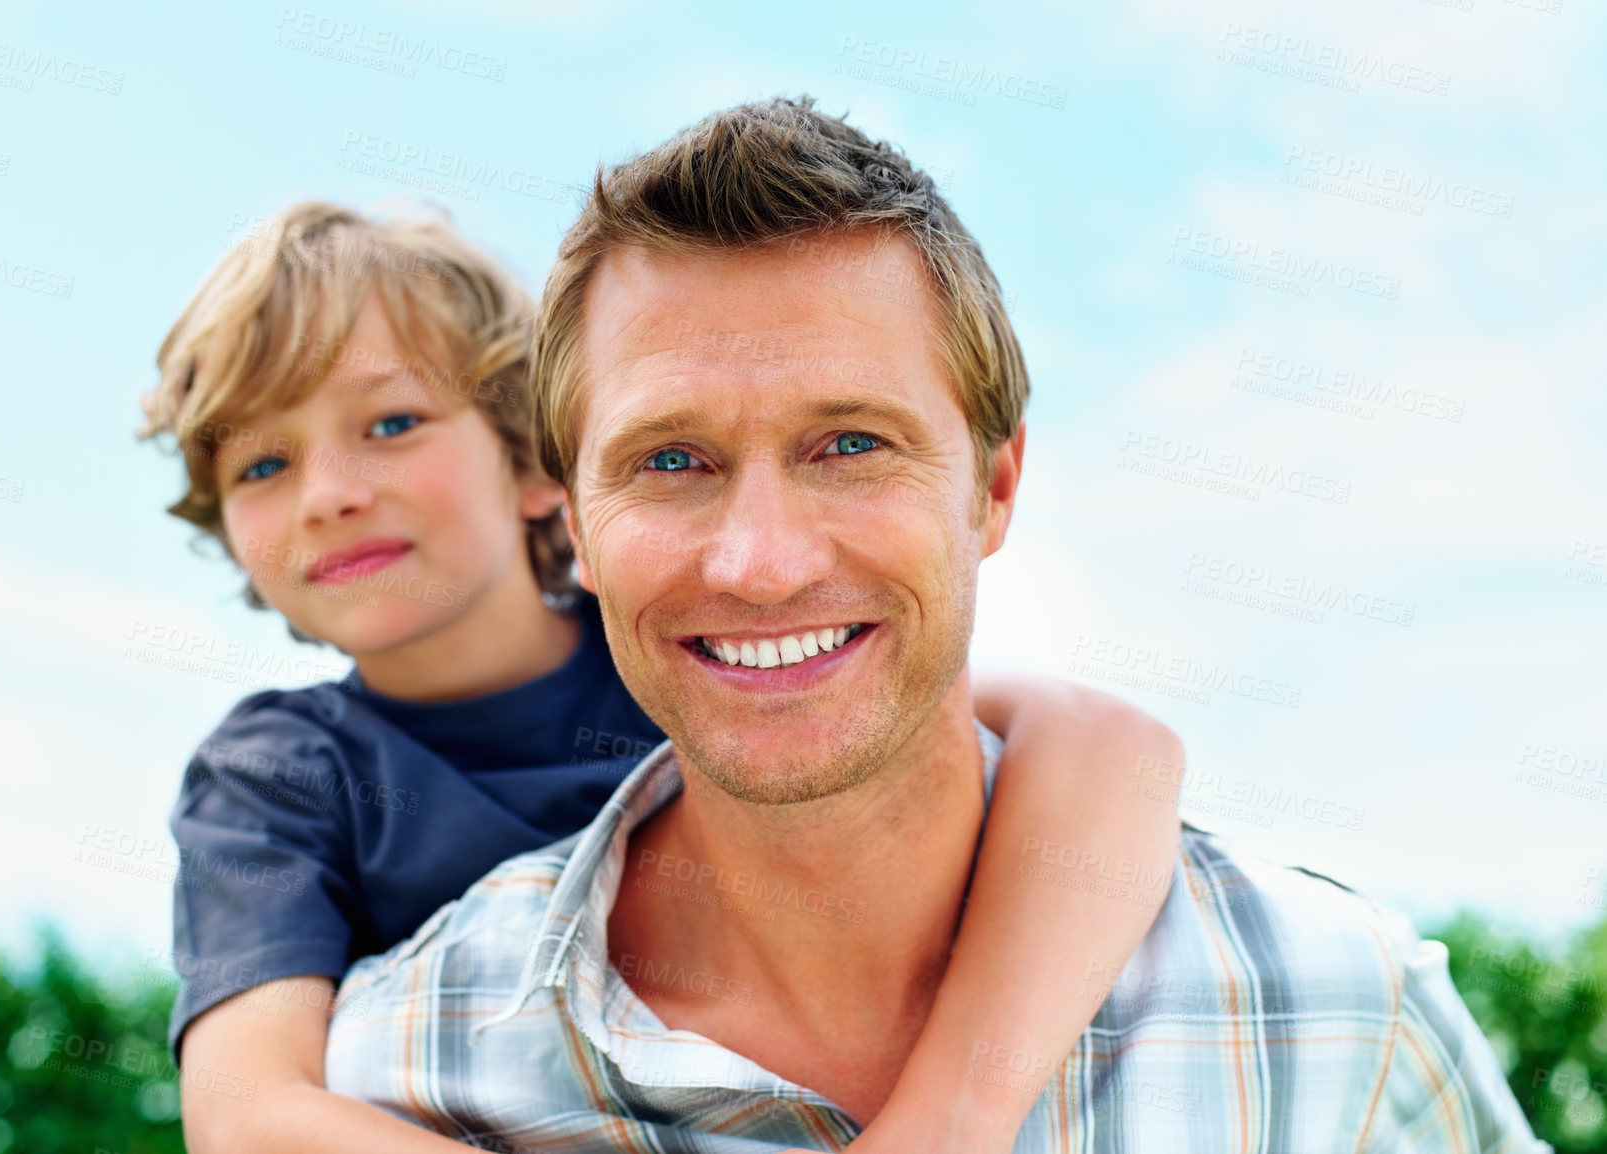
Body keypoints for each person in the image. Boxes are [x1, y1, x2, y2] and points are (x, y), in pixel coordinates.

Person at [322, 96, 1547, 1153]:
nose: (759, 562)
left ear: (993, 487)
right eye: (672, 458)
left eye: (851, 444)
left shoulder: (1337, 1013)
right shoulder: (399, 1070)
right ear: (578, 526)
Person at [140, 199, 1185, 1154]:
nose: (327, 492)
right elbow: (246, 1116)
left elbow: (1115, 753)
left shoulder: (689, 634)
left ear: (540, 465)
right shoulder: (273, 774)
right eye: (261, 463)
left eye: (391, 423)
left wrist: (949, 1115)